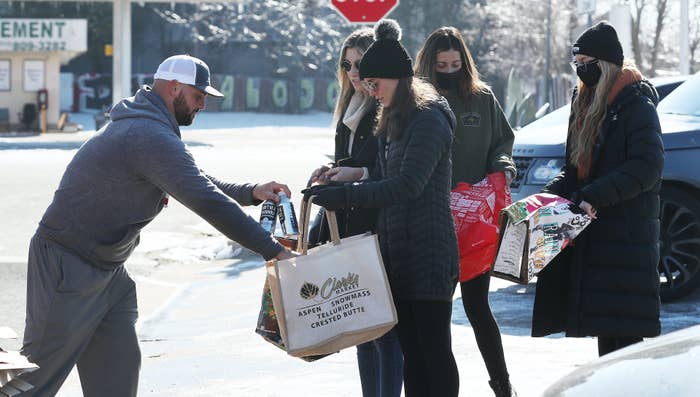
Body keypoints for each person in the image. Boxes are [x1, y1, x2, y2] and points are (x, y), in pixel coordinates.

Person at [19, 55, 295, 397]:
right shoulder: (145, 133)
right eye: (198, 96)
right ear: (174, 88)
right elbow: (204, 199)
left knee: (116, 378)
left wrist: (247, 192)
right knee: (33, 382)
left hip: (107, 272)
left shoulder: (150, 127)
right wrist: (274, 251)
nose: (202, 105)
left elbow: (188, 178)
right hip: (67, 264)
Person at [306, 19, 460, 397]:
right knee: (412, 354)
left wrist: (348, 196)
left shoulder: (429, 120)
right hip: (398, 254)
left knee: (433, 353)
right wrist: (344, 184)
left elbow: (408, 185)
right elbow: (382, 174)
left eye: (376, 84)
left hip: (429, 255)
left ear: (397, 78)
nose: (370, 91)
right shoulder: (393, 117)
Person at [531, 21, 663, 357]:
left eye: (587, 63)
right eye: (577, 64)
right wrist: (547, 197)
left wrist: (594, 195)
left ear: (605, 64)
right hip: (597, 236)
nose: (580, 71)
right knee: (607, 338)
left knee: (625, 345)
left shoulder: (636, 104)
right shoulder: (585, 100)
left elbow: (647, 167)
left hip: (626, 236)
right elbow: (575, 168)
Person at [414, 27, 517, 397]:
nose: (449, 70)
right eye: (441, 65)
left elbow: (502, 141)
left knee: (477, 306)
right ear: (429, 65)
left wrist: (503, 166)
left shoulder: (482, 98)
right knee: (435, 315)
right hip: (431, 221)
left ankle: (502, 385)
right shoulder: (417, 102)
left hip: (475, 222)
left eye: (455, 64)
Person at [307, 28, 404, 397]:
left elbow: (391, 167)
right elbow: (352, 161)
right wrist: (329, 171)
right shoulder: (349, 107)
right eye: (346, 64)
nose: (352, 72)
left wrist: (356, 173)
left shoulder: (386, 107)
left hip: (378, 225)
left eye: (359, 64)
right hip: (350, 223)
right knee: (361, 326)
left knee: (383, 327)